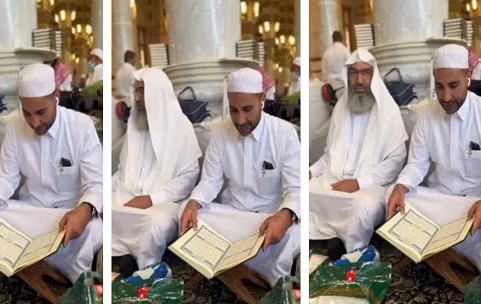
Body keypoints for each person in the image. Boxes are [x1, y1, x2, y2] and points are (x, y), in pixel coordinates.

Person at [0, 63, 103, 282]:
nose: (34, 122)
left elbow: (96, 183)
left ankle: (28, 260)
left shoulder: (81, 127)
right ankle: (51, 261)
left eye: (41, 113)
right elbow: (7, 177)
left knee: (94, 229)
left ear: (55, 96)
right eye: (27, 113)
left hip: (67, 216)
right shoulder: (14, 127)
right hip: (31, 214)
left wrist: (84, 210)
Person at [179, 68, 300, 287]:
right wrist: (194, 202)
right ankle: (254, 265)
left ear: (262, 100)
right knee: (187, 212)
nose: (240, 120)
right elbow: (210, 181)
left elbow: (296, 188)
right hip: (233, 217)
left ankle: (230, 263)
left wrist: (285, 216)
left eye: (247, 110)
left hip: (268, 220)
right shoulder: (220, 133)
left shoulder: (284, 134)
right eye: (234, 110)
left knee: (296, 230)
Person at [387, 44, 481, 272]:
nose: (446, 97)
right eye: (439, 87)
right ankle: (460, 248)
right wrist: (401, 185)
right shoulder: (426, 114)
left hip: (475, 205)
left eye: (453, 86)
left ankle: (447, 248)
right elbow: (417, 164)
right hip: (440, 201)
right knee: (392, 195)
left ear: (468, 76)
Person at [309, 49, 408, 259]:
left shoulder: (388, 110)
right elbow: (328, 155)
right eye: (354, 73)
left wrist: (358, 183)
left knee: (362, 209)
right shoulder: (341, 108)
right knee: (299, 191)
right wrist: (310, 171)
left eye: (365, 73)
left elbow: (396, 161)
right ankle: (331, 237)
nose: (359, 80)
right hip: (333, 182)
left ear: (374, 76)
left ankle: (352, 251)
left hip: (370, 187)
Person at [112, 68, 201, 274]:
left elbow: (188, 178)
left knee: (153, 225)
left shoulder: (181, 128)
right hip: (126, 196)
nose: (137, 98)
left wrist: (151, 199)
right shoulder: (135, 125)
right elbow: (121, 171)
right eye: (136, 91)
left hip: (164, 203)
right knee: (98, 210)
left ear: (157, 93)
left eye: (142, 91)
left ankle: (144, 269)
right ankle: (120, 257)